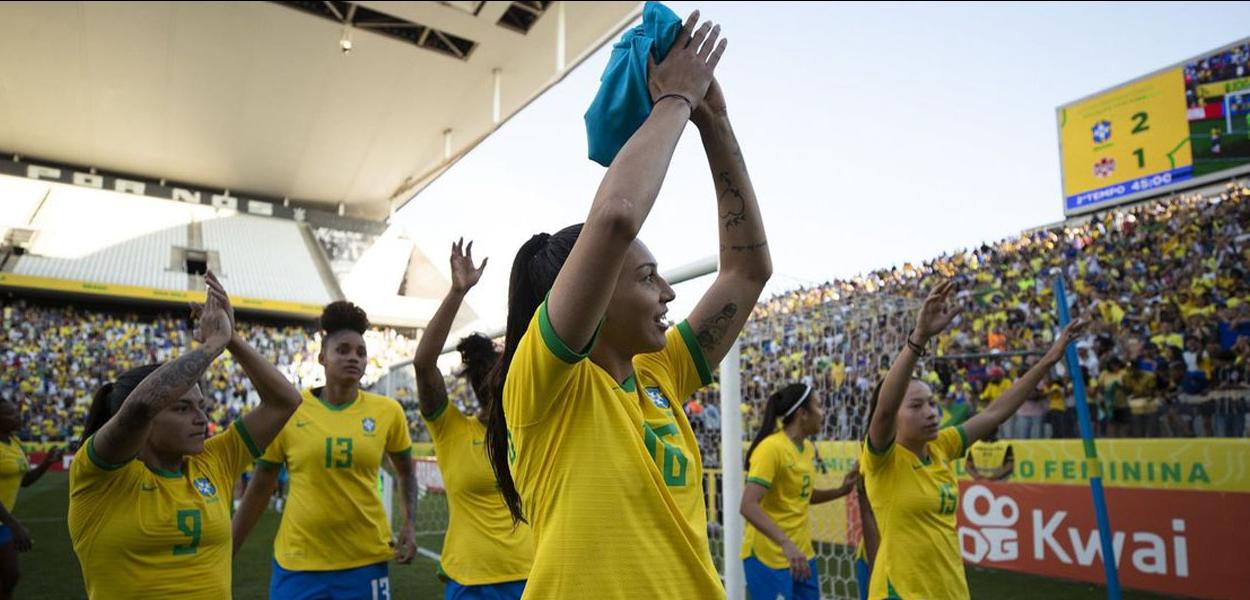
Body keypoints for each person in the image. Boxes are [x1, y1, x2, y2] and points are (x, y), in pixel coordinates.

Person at [483, 11, 763, 598]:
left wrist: (715, 119)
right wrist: (674, 102)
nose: (669, 293)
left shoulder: (658, 371)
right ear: (592, 293)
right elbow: (614, 218)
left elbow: (746, 270)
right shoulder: (544, 384)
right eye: (647, 278)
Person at [68, 272, 302, 599]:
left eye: (200, 406)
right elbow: (139, 408)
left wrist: (231, 339)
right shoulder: (100, 475)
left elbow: (285, 401)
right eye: (182, 409)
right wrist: (212, 344)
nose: (201, 419)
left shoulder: (213, 461)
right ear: (145, 424)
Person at [861, 280, 1085, 599]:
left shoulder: (941, 447)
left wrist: (1048, 361)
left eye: (932, 403)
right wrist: (919, 338)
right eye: (916, 405)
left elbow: (995, 413)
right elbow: (883, 412)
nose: (931, 412)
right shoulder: (883, 461)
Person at [232, 299, 418, 600]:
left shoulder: (388, 412)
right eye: (342, 350)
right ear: (322, 357)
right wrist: (227, 549)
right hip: (298, 562)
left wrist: (409, 524)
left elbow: (406, 473)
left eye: (360, 352)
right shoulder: (290, 409)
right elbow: (260, 487)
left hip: (366, 560)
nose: (353, 358)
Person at [412, 239, 532, 599]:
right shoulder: (450, 428)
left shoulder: (531, 428)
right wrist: (457, 292)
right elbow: (423, 363)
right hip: (470, 580)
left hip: (535, 574)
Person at [739, 382, 859, 600]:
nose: (823, 413)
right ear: (803, 413)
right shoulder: (771, 448)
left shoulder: (809, 450)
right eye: (819, 406)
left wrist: (841, 491)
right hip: (770, 556)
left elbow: (803, 495)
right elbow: (748, 505)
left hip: (802, 554)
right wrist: (786, 543)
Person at [0, 400, 62, 599]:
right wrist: (14, 525)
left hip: (2, 521)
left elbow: (24, 481)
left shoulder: (15, 442)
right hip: (5, 520)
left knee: (9, 576)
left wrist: (47, 462)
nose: (18, 417)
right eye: (11, 414)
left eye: (17, 412)